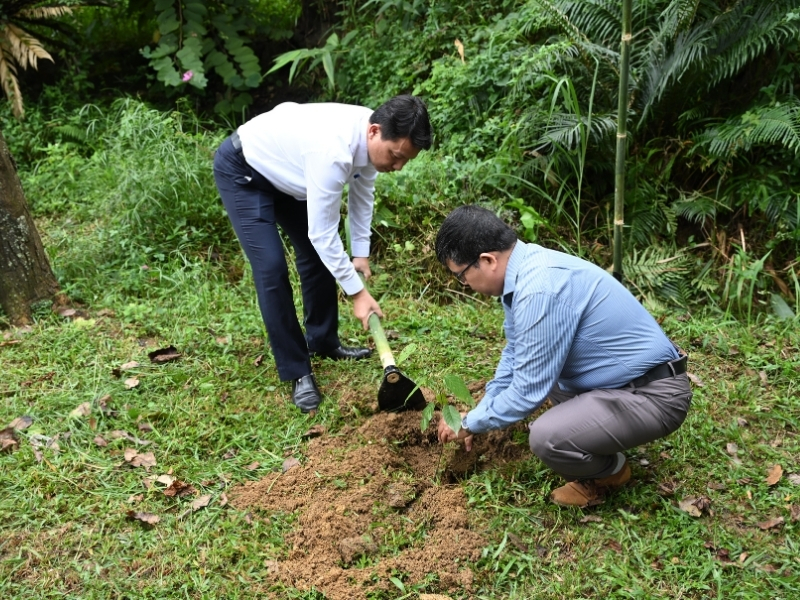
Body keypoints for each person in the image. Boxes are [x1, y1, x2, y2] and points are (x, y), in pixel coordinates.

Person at [435, 205, 692, 507]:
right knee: (541, 373)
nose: (465, 285)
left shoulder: (539, 289)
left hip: (654, 393)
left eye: (461, 276)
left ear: (487, 260)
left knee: (547, 437)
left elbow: (526, 393)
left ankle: (610, 471)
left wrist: (471, 424)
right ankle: (596, 433)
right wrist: (480, 410)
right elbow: (516, 353)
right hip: (623, 381)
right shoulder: (524, 273)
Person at [213, 95, 432, 413]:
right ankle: (297, 371)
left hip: (291, 174)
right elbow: (322, 233)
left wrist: (360, 253)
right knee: (272, 268)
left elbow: (362, 195)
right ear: (374, 132)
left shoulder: (370, 141)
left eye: (404, 161)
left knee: (317, 257)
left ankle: (322, 340)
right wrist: (357, 293)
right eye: (395, 156)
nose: (397, 167)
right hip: (245, 171)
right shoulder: (333, 150)